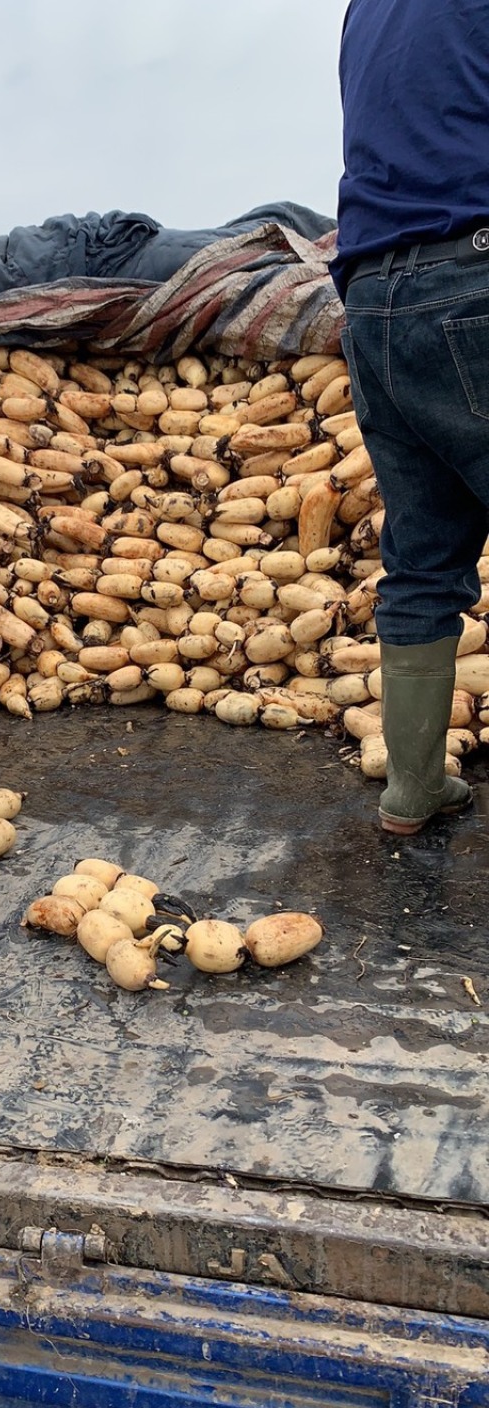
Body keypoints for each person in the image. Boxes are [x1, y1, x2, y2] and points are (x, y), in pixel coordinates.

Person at [331, 0, 489, 835]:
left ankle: (413, 789)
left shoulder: (367, 11)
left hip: (372, 302)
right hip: (473, 273)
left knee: (423, 556)